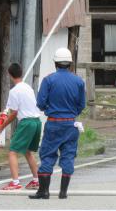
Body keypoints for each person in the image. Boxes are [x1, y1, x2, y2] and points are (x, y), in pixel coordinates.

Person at [29, 48, 86, 200]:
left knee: (47, 155)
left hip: (53, 124)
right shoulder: (79, 81)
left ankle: (44, 191)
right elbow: (82, 105)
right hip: (71, 125)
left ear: (55, 63)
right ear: (70, 64)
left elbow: (40, 103)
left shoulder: (48, 80)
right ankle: (63, 192)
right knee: (68, 156)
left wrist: (49, 108)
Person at [0, 63, 42, 191]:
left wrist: (2, 126)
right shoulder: (29, 88)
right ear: (21, 73)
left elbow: (13, 113)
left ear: (10, 75)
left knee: (12, 151)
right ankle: (36, 180)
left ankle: (15, 182)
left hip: (26, 122)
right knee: (27, 152)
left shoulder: (14, 91)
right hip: (37, 122)